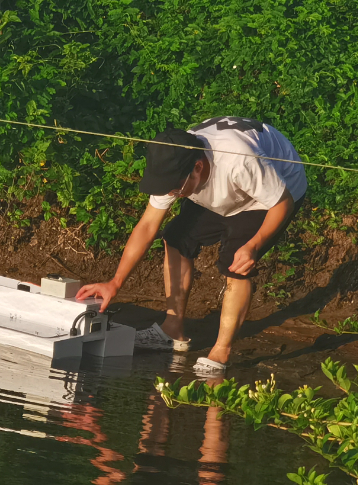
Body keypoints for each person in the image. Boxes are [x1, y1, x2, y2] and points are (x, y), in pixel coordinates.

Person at [75, 117, 307, 374]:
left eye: (174, 189)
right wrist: (115, 282)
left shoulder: (239, 160)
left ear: (198, 167)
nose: (170, 193)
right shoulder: (173, 163)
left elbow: (282, 202)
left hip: (273, 196)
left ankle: (221, 351)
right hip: (221, 190)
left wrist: (254, 245)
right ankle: (172, 329)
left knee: (235, 263)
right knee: (176, 237)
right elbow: (147, 226)